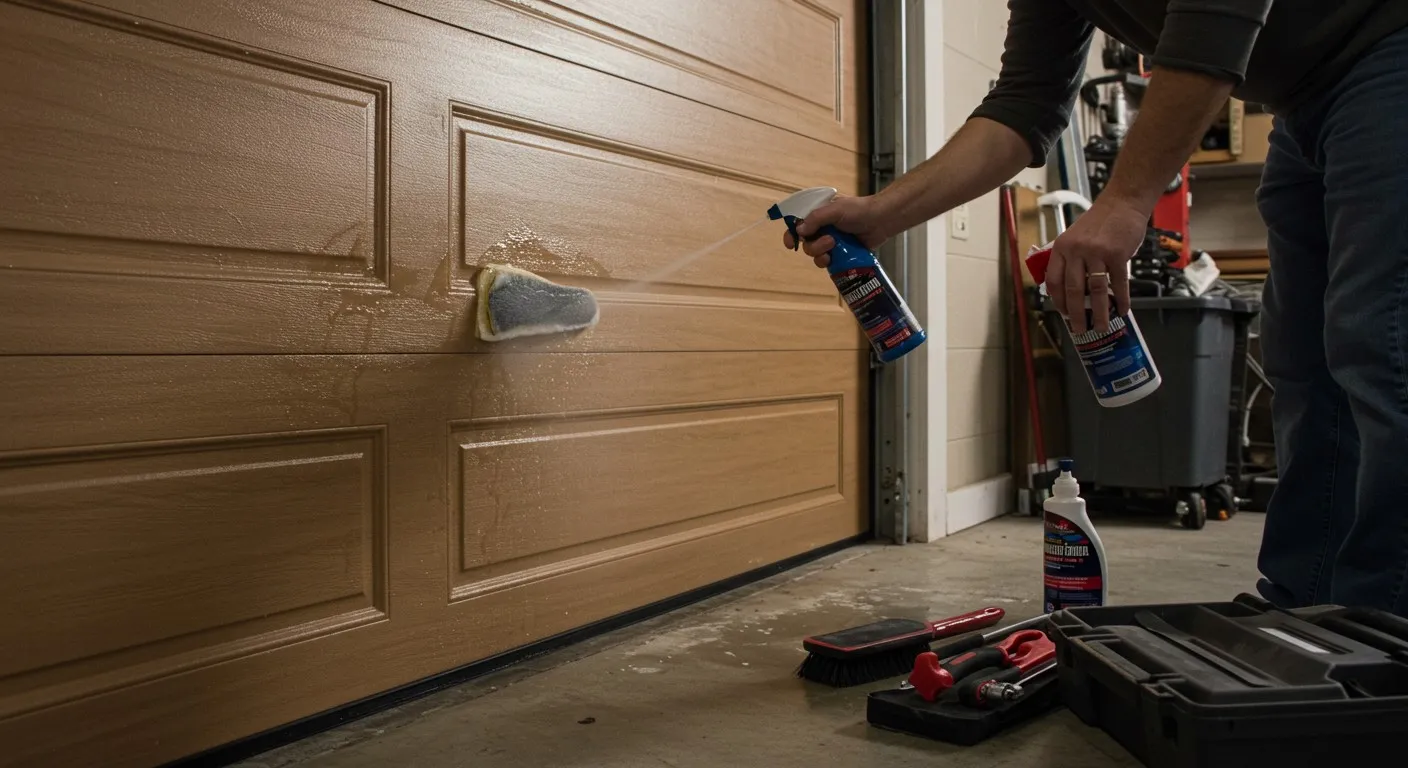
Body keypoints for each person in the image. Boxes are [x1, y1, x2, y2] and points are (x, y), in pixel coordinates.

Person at [784, 1, 1408, 618]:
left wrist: (1127, 200)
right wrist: (883, 211)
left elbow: (1219, 9)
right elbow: (1025, 102)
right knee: (1307, 368)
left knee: (1385, 350)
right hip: (1302, 105)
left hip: (1386, 49)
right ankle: (1313, 610)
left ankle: (1388, 631)